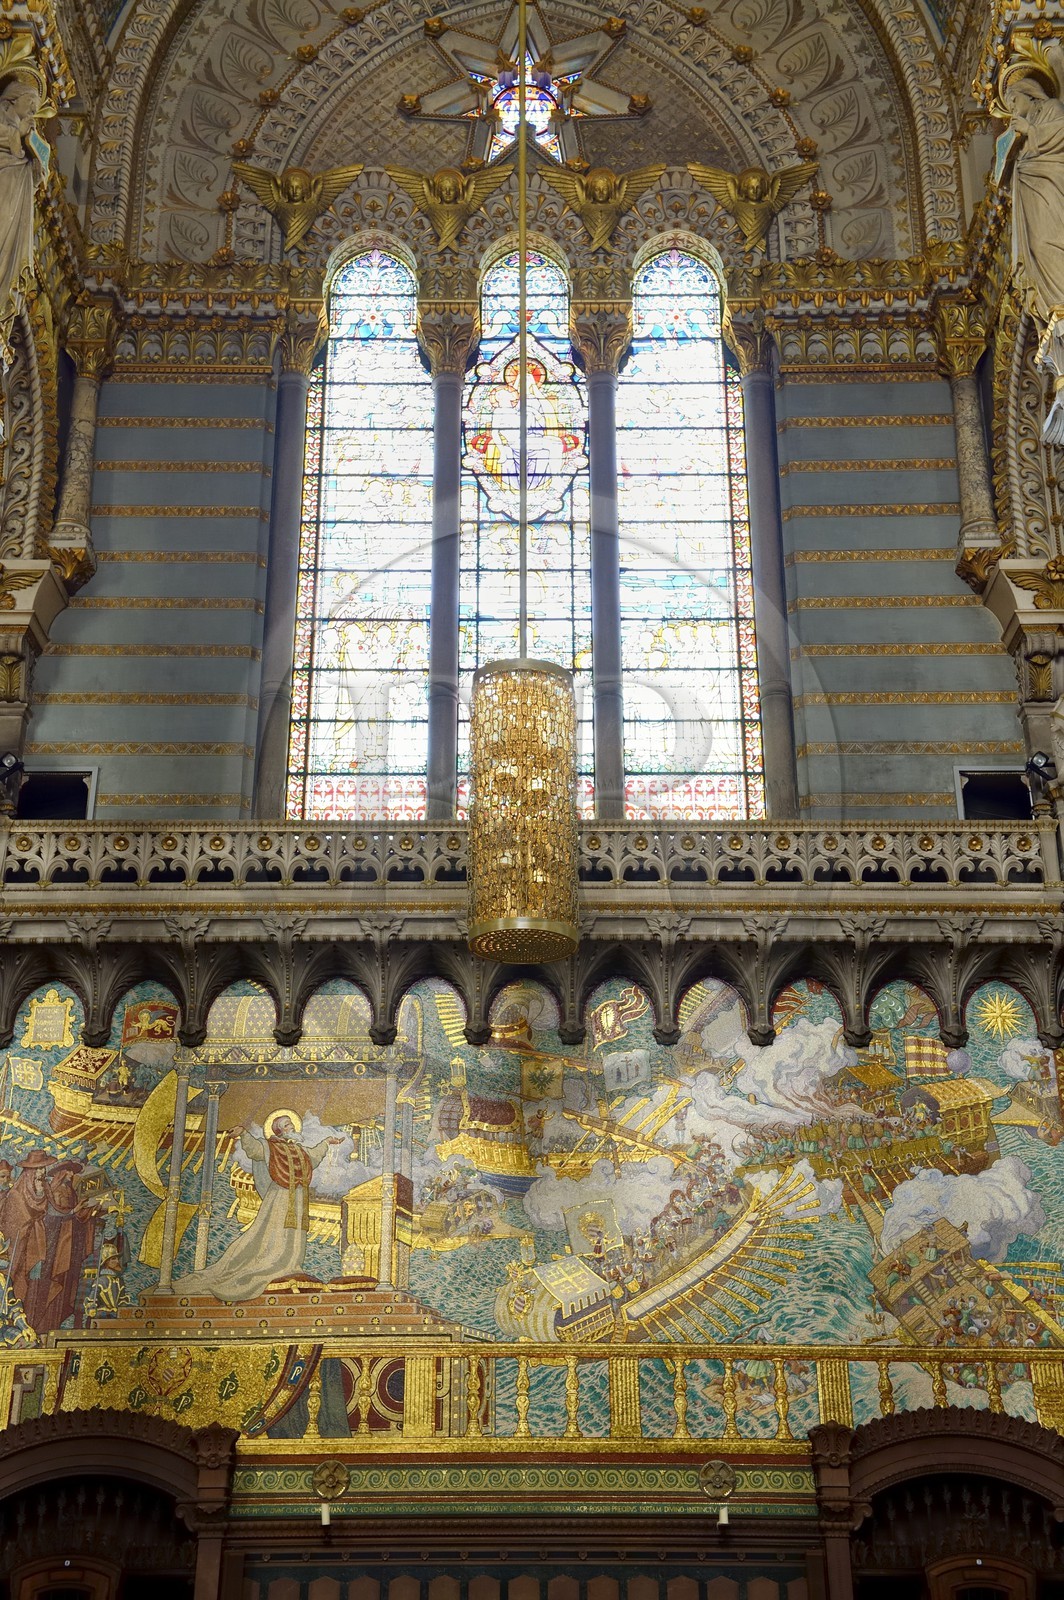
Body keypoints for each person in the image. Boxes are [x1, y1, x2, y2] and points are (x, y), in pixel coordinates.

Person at [170, 1110, 342, 1303]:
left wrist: (327, 1142)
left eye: (291, 1124)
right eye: (286, 1125)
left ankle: (291, 1264)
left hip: (299, 1199)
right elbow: (254, 1150)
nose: (291, 1127)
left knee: (294, 1234)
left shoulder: (300, 1150)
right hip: (279, 1198)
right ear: (279, 1131)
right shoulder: (271, 1147)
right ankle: (273, 1262)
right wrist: (243, 1133)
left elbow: (314, 1156)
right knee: (274, 1231)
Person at [1002, 54, 1064, 325]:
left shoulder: (1050, 108)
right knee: (1037, 246)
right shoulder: (1020, 129)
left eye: (1014, 100)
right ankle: (1054, 306)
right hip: (1029, 190)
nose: (1013, 108)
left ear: (1030, 95)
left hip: (1051, 182)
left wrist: (1031, 131)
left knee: (1050, 241)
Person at [0, 70, 44, 363]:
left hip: (18, 196)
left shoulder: (26, 134)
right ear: (7, 104)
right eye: (28, 106)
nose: (31, 113)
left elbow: (40, 174)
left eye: (35, 111)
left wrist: (34, 149)